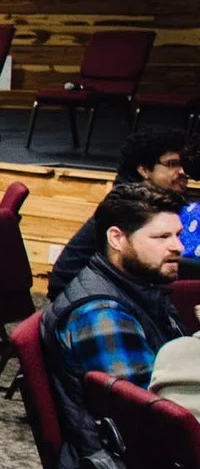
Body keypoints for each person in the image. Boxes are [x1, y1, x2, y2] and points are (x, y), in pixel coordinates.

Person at [44, 185, 185, 412]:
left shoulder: (140, 286)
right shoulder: (103, 313)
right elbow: (150, 414)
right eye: (161, 237)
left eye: (178, 235)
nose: (178, 247)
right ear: (117, 239)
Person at [49, 128, 188, 298]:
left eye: (184, 164)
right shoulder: (129, 207)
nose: (182, 171)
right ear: (144, 170)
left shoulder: (156, 202)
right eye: (172, 164)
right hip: (83, 294)